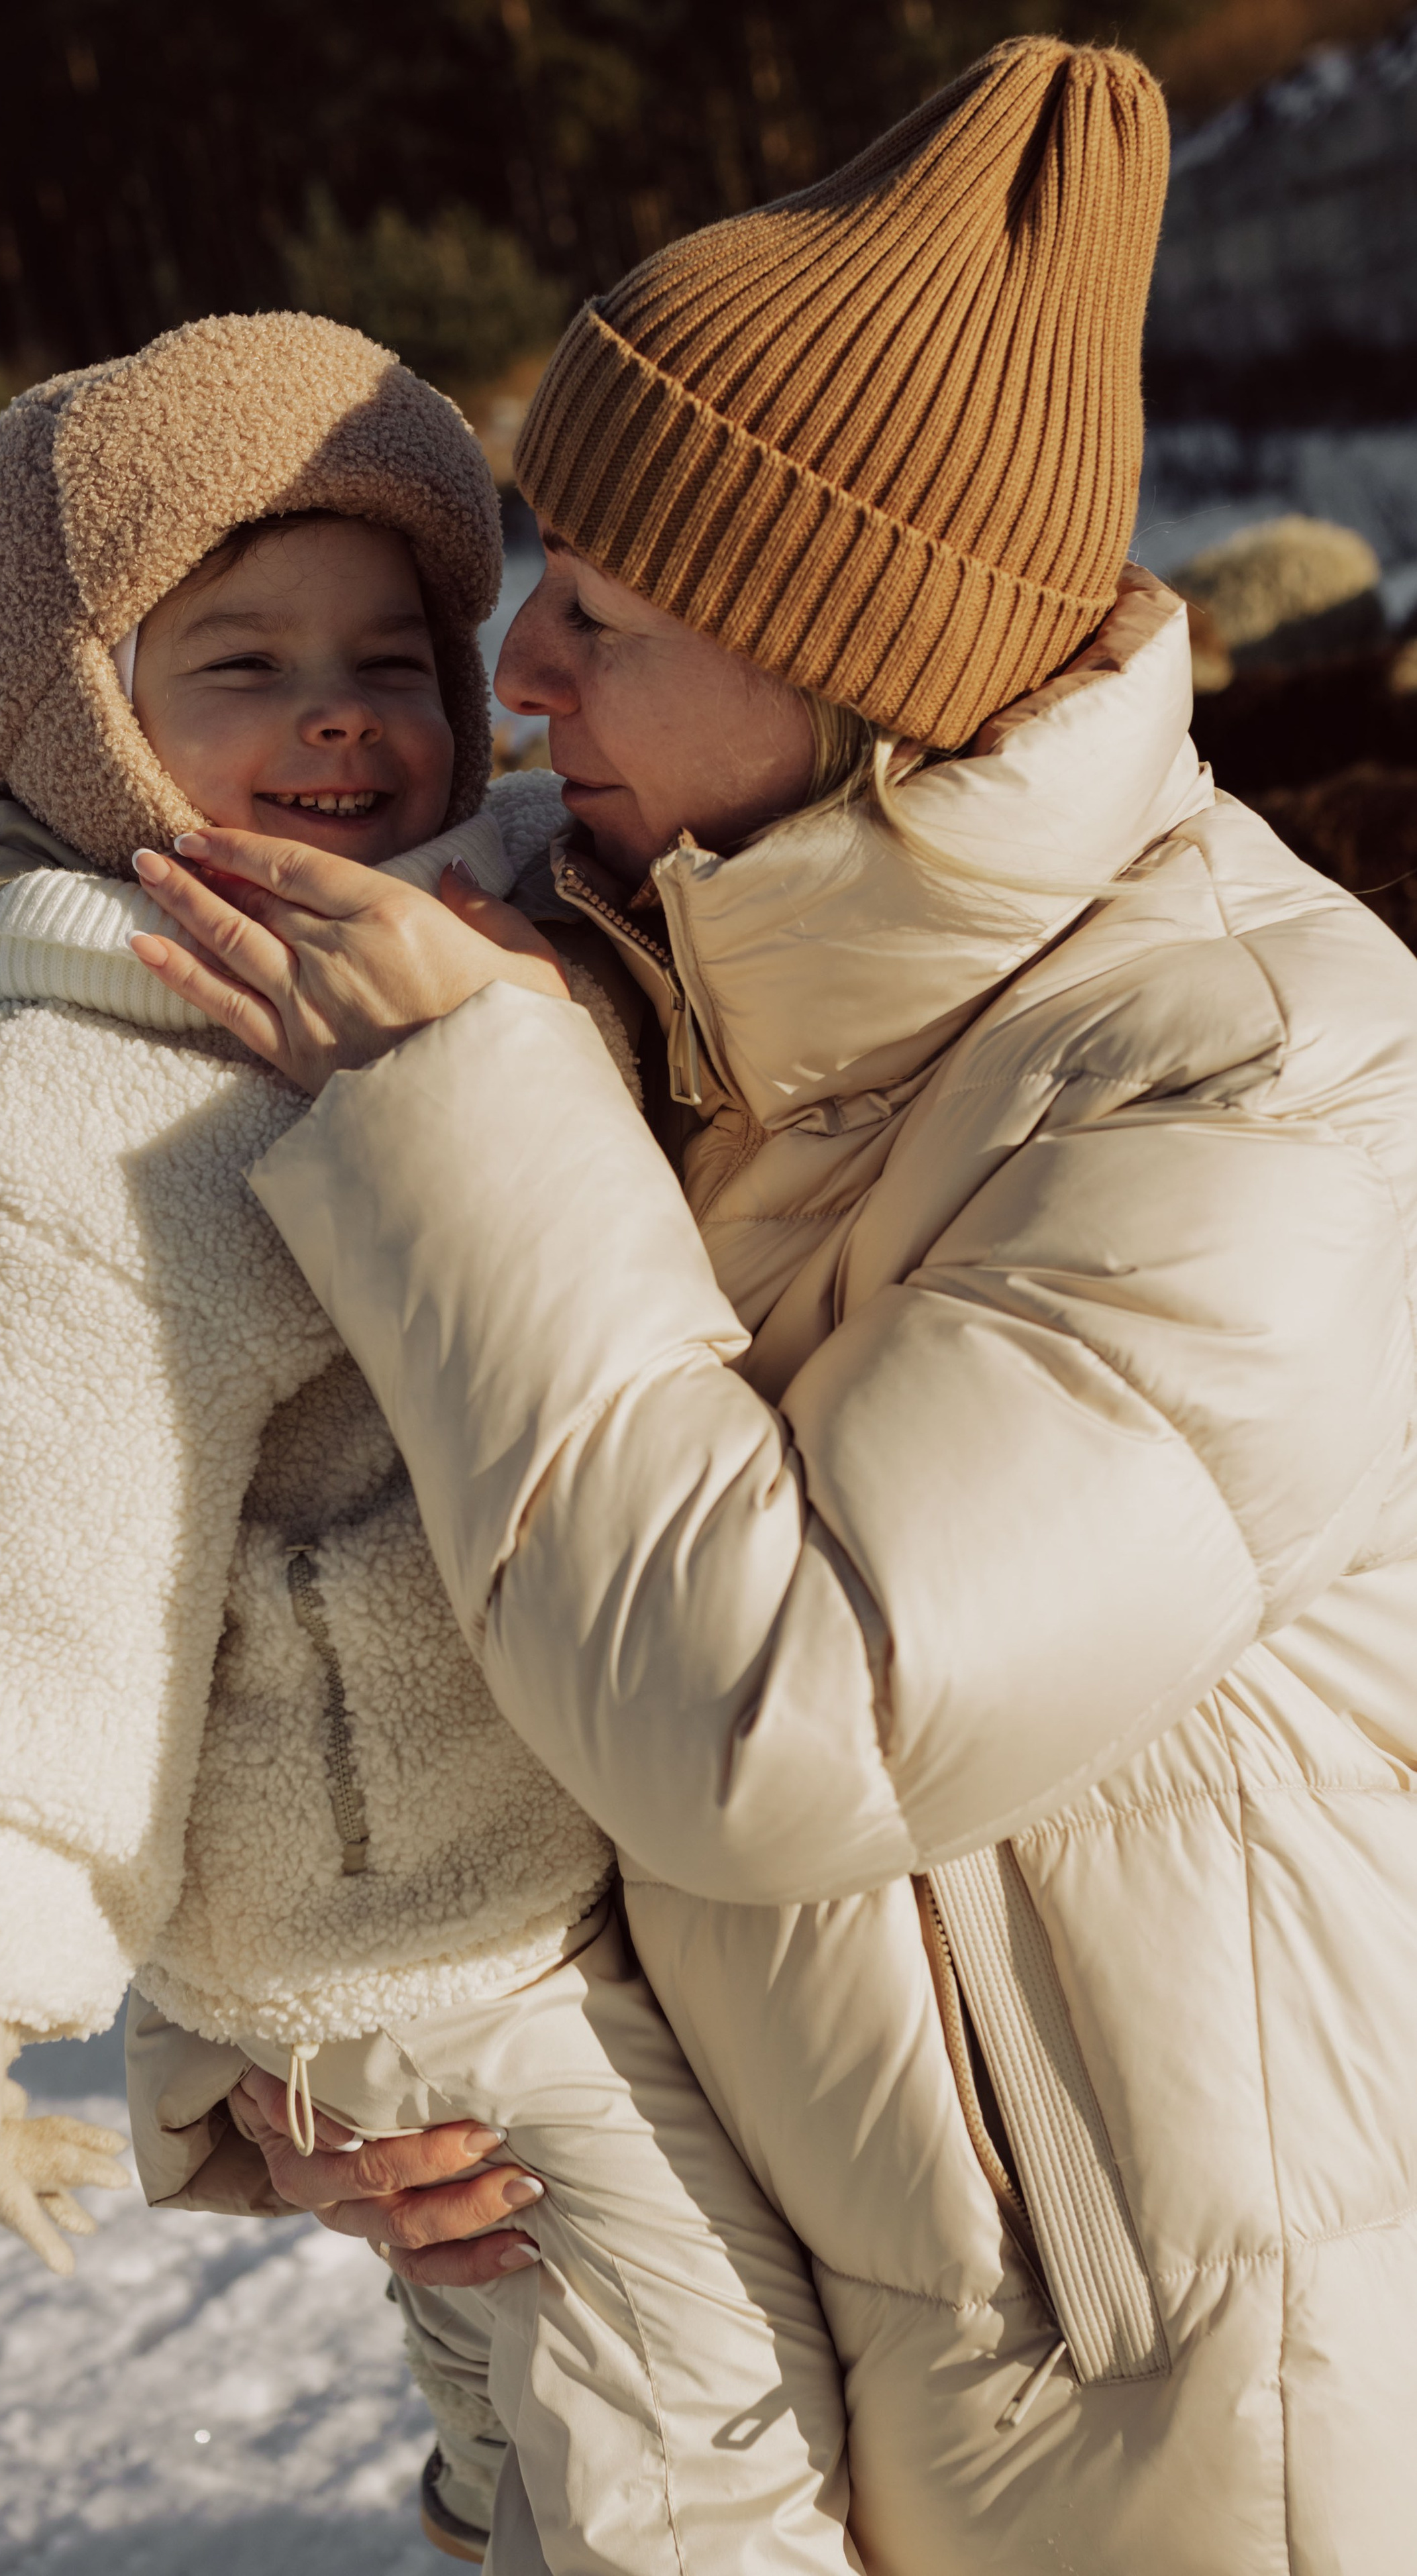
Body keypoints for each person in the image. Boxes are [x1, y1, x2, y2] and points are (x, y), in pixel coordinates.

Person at [127, 39, 1417, 2575]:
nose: (519, 683)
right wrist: (318, 2048)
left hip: (1216, 2452)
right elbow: (429, 1596)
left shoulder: (1261, 1078)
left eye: (601, 612)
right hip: (812, 2398)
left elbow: (775, 1709)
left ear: (856, 649)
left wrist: (470, 1112)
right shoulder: (665, 987)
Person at [0, 313, 859, 2575]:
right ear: (89, 726)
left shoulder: (514, 924)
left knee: (532, 2402)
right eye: (236, 664)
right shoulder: (82, 1074)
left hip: (540, 1848)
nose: (339, 712)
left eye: (391, 655)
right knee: (701, 2426)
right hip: (407, 1933)